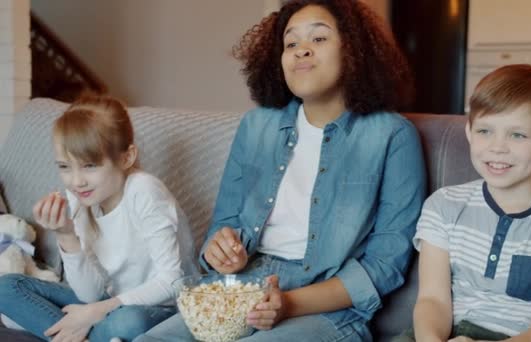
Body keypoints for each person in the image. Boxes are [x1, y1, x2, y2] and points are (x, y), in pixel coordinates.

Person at [136, 0, 425, 341]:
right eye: (291, 43)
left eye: (319, 39)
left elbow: (385, 265)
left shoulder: (391, 135)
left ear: (354, 51)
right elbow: (225, 223)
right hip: (241, 286)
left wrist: (289, 303)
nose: (301, 51)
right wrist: (222, 251)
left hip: (327, 306)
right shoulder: (256, 126)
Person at [392, 64, 531, 342]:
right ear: (469, 132)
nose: (497, 147)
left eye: (517, 135)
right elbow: (433, 300)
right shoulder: (443, 205)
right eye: (484, 131)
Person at [0, 95, 196, 342]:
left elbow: (172, 282)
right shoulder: (80, 198)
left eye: (89, 165)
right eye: (64, 167)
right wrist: (66, 234)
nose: (76, 181)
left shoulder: (144, 191)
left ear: (126, 157)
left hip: (163, 308)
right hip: (108, 303)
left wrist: (96, 312)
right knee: (6, 288)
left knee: (127, 323)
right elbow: (89, 295)